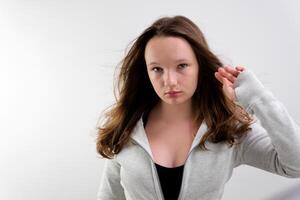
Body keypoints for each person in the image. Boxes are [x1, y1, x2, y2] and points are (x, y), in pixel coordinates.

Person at [95, 15, 300, 200]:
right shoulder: (125, 128)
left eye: (182, 66)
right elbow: (109, 197)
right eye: (157, 69)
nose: (170, 81)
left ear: (199, 66)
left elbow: (295, 165)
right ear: (146, 73)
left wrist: (259, 98)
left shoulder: (229, 128)